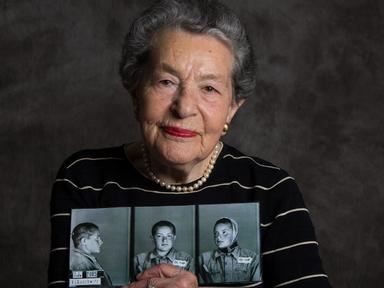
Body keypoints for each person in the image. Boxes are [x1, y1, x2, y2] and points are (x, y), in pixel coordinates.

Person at [49, 0, 332, 288]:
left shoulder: (272, 191)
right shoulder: (84, 179)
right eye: (166, 82)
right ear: (135, 94)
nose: (184, 108)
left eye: (209, 88)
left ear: (232, 108)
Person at [199, 217, 260, 284]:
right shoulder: (203, 258)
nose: (218, 237)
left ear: (234, 233)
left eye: (224, 232)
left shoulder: (252, 257)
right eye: (216, 233)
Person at [70, 223, 113, 287]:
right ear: (84, 241)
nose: (101, 242)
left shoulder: (85, 259)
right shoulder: (81, 263)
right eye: (97, 239)